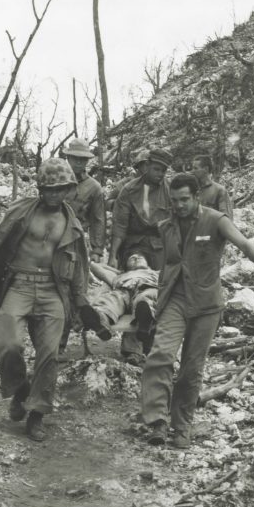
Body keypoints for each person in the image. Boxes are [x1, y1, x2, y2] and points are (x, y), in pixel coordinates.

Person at [0, 158, 104, 442]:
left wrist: (82, 302)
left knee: (49, 355)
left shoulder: (72, 223)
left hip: (54, 290)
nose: (55, 195)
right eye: (49, 189)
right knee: (5, 341)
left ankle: (37, 412)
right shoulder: (22, 210)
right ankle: (20, 388)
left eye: (61, 189)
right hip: (20, 284)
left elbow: (80, 267)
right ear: (40, 188)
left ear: (68, 189)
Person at [141, 173, 254, 448]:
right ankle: (157, 420)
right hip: (175, 300)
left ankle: (181, 426)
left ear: (196, 197)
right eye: (175, 201)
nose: (179, 205)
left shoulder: (216, 220)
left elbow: (244, 244)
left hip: (206, 305)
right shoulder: (166, 227)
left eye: (184, 200)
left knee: (191, 369)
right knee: (160, 355)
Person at [109, 149, 172, 362]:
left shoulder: (170, 190)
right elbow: (119, 225)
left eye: (164, 170)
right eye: (156, 169)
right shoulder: (129, 190)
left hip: (160, 247)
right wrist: (112, 256)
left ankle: (153, 347)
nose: (160, 174)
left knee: (156, 294)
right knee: (132, 289)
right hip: (134, 245)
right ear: (146, 167)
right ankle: (132, 349)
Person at [88, 254, 160, 352]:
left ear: (149, 264)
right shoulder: (118, 276)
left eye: (140, 257)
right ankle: (101, 319)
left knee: (146, 298)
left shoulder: (157, 273)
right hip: (123, 292)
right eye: (132, 258)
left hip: (145, 289)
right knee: (110, 299)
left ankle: (145, 321)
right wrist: (119, 272)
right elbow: (94, 266)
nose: (136, 258)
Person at [62, 137, 106, 261]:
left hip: (77, 240)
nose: (78, 162)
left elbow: (98, 220)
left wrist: (97, 250)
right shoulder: (56, 180)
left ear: (87, 161)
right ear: (68, 158)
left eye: (82, 159)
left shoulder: (94, 187)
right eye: (75, 158)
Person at [191, 154, 232, 219]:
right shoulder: (192, 189)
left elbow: (227, 218)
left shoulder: (219, 190)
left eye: (195, 168)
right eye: (192, 168)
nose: (192, 171)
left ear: (206, 169)